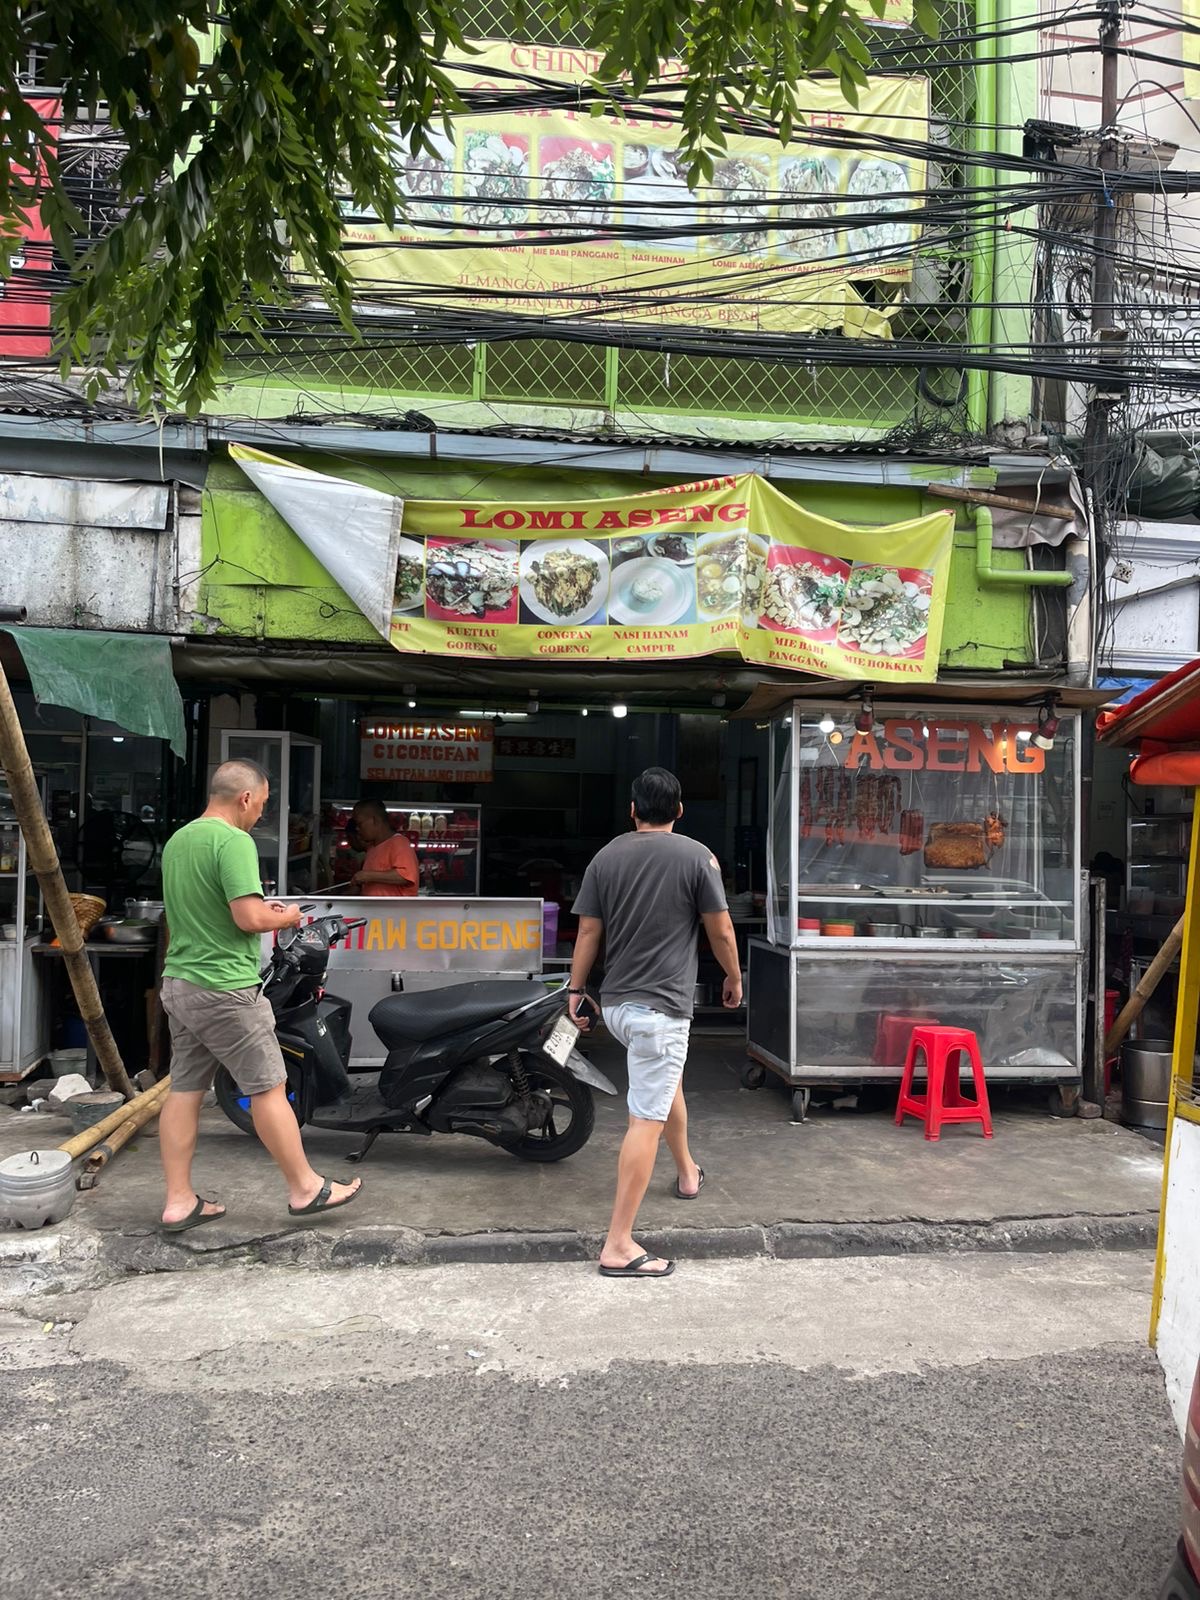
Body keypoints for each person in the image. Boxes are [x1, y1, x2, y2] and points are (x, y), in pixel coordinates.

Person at [158, 759, 362, 1231]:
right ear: (245, 798)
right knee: (269, 1087)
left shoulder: (179, 839)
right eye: (263, 804)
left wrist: (258, 909)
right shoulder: (234, 840)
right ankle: (306, 1188)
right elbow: (248, 919)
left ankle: (178, 1202)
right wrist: (287, 916)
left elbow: (215, 906)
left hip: (182, 982)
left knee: (185, 1091)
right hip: (225, 987)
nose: (261, 814)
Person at [568, 767, 742, 1280]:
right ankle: (618, 1244)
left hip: (620, 1007)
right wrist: (734, 978)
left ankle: (687, 1173)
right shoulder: (697, 856)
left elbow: (587, 934)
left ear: (632, 809)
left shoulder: (606, 856)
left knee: (668, 1084)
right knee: (645, 1117)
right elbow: (722, 929)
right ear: (680, 811)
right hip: (660, 1010)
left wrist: (576, 992)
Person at [349, 800, 420, 897]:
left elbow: (406, 876)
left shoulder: (399, 842)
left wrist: (368, 876)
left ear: (375, 820)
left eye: (360, 824)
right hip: (373, 911)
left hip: (395, 911)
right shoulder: (371, 849)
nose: (357, 828)